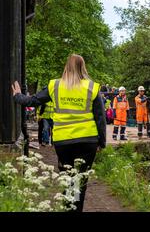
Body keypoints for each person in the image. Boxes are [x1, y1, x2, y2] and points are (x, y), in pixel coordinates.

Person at [11, 54, 106, 212]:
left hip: (63, 141)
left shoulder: (54, 85)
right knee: (80, 180)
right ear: (83, 67)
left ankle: (68, 207)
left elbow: (32, 101)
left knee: (67, 177)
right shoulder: (92, 87)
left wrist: (18, 96)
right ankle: (75, 209)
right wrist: (102, 143)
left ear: (66, 67)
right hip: (87, 141)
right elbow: (100, 118)